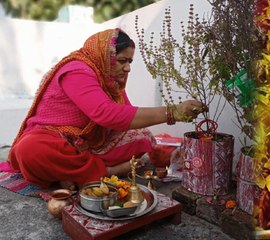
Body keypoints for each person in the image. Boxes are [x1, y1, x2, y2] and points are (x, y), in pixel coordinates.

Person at [7, 28, 207, 190]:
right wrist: (172, 112)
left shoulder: (110, 81)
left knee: (143, 137)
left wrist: (165, 154)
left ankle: (69, 174)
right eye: (122, 61)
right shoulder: (76, 70)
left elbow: (126, 117)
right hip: (55, 138)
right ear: (106, 56)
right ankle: (107, 170)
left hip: (90, 142)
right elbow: (106, 114)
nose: (127, 68)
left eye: (129, 62)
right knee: (30, 150)